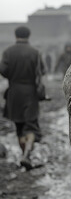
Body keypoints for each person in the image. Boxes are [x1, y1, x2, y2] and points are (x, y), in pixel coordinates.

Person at [0, 26, 45, 170]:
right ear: (29, 35)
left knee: (19, 126)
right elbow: (42, 71)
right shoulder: (35, 52)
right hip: (30, 92)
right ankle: (27, 155)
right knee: (31, 125)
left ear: (15, 35)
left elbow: (3, 71)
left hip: (14, 92)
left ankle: (24, 154)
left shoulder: (8, 52)